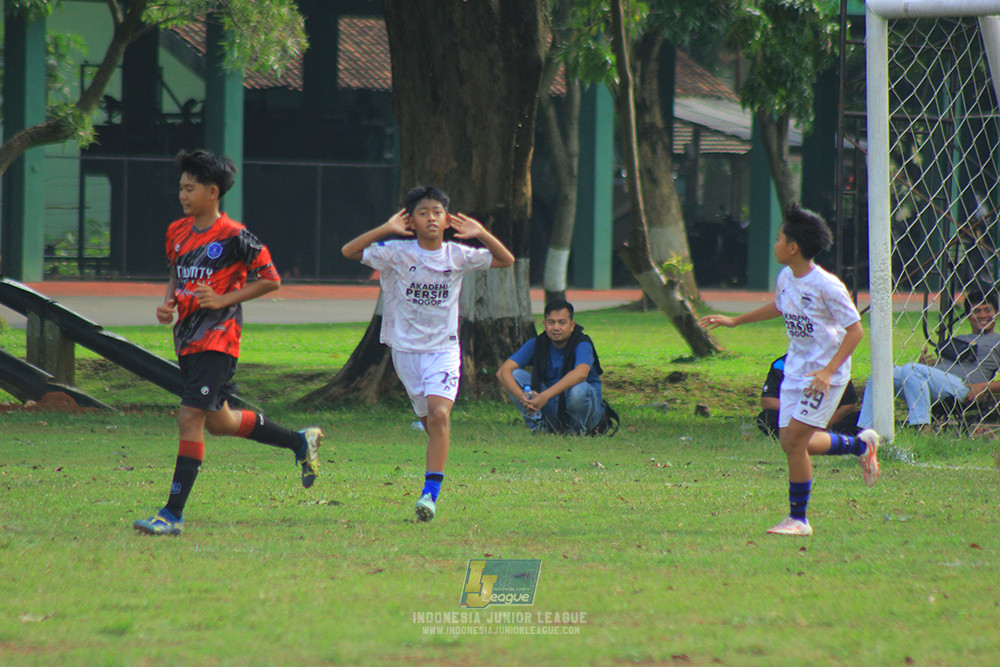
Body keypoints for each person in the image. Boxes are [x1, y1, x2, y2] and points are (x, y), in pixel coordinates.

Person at [134, 149, 322, 536]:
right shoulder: (177, 232)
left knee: (190, 417)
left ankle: (172, 514)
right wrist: (168, 303)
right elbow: (176, 274)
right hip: (186, 340)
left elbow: (271, 278)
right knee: (219, 422)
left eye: (190, 188)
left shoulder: (236, 237)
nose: (183, 195)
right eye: (181, 188)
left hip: (218, 341)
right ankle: (299, 442)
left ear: (212, 192)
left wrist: (222, 300)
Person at [701, 203, 881, 537]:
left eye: (779, 238)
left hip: (824, 376)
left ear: (793, 248)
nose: (775, 244)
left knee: (796, 443)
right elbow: (781, 306)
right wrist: (735, 321)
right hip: (796, 370)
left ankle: (799, 519)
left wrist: (828, 373)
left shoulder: (828, 286)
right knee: (793, 443)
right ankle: (860, 446)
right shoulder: (787, 277)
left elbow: (855, 330)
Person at [341, 185, 514, 522]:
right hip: (405, 353)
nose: (431, 218)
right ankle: (433, 460)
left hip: (444, 350)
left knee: (439, 417)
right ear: (411, 221)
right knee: (429, 421)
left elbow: (505, 260)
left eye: (437, 212)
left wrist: (482, 233)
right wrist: (386, 229)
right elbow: (348, 251)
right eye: (423, 213)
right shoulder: (396, 253)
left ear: (447, 219)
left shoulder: (457, 254)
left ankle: (429, 495)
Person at [857, 289, 1000, 433]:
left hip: (964, 388)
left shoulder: (997, 341)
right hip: (936, 384)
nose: (982, 315)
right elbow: (941, 367)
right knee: (882, 374)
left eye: (987, 310)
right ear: (969, 316)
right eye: (977, 311)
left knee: (911, 368)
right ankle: (865, 430)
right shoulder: (958, 339)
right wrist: (924, 366)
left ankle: (922, 427)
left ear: (996, 314)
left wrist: (983, 386)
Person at [496, 300, 605, 434]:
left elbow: (581, 374)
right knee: (515, 375)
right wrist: (521, 397)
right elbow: (503, 371)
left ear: (572, 325)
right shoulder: (538, 343)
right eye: (551, 322)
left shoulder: (582, 343)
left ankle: (576, 432)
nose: (556, 328)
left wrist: (545, 396)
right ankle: (539, 427)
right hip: (552, 408)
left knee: (579, 389)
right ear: (545, 325)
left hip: (587, 412)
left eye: (562, 323)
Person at [757, 354, 859, 437]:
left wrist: (823, 424)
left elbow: (848, 406)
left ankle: (821, 436)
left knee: (859, 419)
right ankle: (799, 434)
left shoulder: (832, 367)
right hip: (791, 419)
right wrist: (799, 417)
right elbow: (768, 401)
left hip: (828, 420)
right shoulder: (781, 365)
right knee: (766, 417)